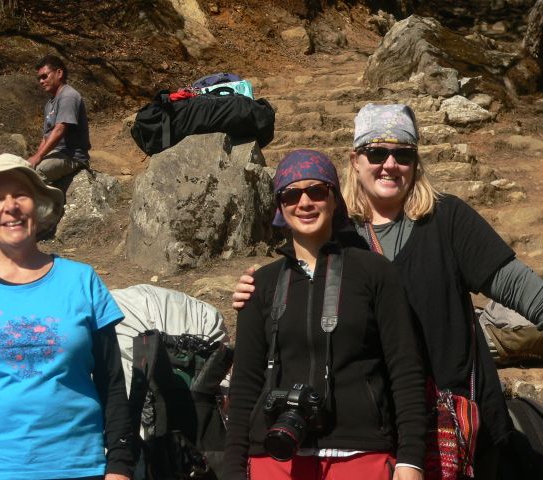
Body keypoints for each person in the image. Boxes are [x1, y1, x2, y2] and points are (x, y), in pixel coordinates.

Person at [233, 104, 543, 479]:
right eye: (377, 152)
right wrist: (253, 291)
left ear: (416, 161)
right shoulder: (333, 236)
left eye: (403, 154)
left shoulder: (447, 220)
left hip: (453, 422)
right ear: (355, 160)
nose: (390, 164)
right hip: (373, 433)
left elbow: (521, 288)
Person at [0, 154, 133, 480]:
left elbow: (113, 384)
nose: (11, 207)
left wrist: (120, 466)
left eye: (20, 194)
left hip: (79, 468)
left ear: (38, 204)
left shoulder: (82, 280)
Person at [224, 149, 426, 480]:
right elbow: (245, 385)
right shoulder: (260, 285)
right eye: (291, 195)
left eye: (317, 191)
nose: (304, 203)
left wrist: (411, 459)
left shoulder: (376, 273)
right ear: (280, 207)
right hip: (274, 459)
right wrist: (234, 470)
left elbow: (404, 368)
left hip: (360, 455)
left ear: (334, 200)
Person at [28, 54, 90, 184]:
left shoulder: (68, 96)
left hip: (72, 156)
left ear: (59, 73)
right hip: (57, 153)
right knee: (24, 170)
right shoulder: (50, 104)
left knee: (37, 173)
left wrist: (38, 157)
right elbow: (46, 137)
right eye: (39, 78)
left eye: (44, 76)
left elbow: (60, 129)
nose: (41, 81)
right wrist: (36, 157)